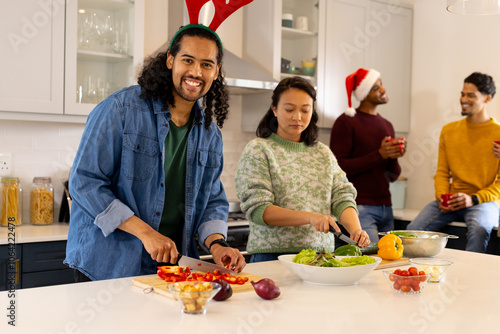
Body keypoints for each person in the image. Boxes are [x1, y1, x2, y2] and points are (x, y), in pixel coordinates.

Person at [65, 24, 247, 281]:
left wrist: (217, 245)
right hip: (108, 266)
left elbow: (213, 202)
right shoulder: (121, 109)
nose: (196, 72)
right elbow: (84, 183)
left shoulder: (210, 134)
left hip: (170, 268)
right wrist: (146, 233)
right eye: (187, 60)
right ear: (170, 60)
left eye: (206, 64)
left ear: (216, 72)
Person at [235, 76, 370, 263]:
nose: (297, 117)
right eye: (289, 109)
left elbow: (342, 196)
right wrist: (311, 218)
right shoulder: (259, 149)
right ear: (274, 109)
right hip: (273, 257)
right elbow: (259, 209)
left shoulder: (323, 153)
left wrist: (355, 229)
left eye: (305, 110)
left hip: (321, 257)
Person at [407, 72, 500, 253]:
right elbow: (442, 172)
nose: (463, 99)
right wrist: (442, 195)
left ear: (487, 98)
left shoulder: (498, 134)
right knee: (412, 231)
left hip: (483, 201)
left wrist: (473, 198)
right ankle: (418, 275)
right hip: (452, 199)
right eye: (462, 94)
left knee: (479, 231)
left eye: (471, 95)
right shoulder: (449, 131)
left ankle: (469, 279)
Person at [330, 68, 406, 242]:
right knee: (371, 261)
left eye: (381, 84)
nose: (383, 89)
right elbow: (339, 168)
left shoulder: (387, 125)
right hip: (360, 208)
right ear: (363, 94)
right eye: (375, 88)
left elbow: (393, 176)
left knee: (387, 261)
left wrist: (394, 155)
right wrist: (379, 154)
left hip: (386, 207)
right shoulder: (346, 122)